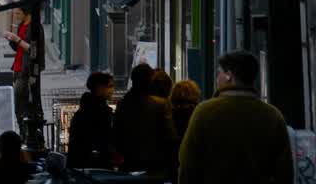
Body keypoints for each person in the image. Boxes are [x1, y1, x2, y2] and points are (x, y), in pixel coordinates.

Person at [178, 50, 292, 184]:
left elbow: (188, 164)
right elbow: (284, 170)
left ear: (228, 75)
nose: (217, 78)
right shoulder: (273, 116)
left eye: (219, 72)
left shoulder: (204, 112)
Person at [111, 63, 177, 177]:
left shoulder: (123, 104)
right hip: (155, 165)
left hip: (129, 162)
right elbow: (170, 136)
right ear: (150, 80)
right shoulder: (161, 104)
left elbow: (116, 135)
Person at [3, 5, 45, 145]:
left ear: (26, 13)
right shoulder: (22, 25)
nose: (16, 16)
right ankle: (23, 133)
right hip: (18, 67)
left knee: (23, 102)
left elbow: (34, 50)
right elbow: (19, 48)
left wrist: (17, 40)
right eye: (15, 13)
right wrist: (12, 40)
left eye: (18, 13)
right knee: (19, 103)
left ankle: (29, 135)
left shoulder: (35, 27)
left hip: (28, 70)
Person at [67, 71, 115, 170]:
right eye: (110, 86)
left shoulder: (84, 110)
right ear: (100, 88)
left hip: (81, 164)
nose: (112, 90)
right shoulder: (100, 112)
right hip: (95, 165)